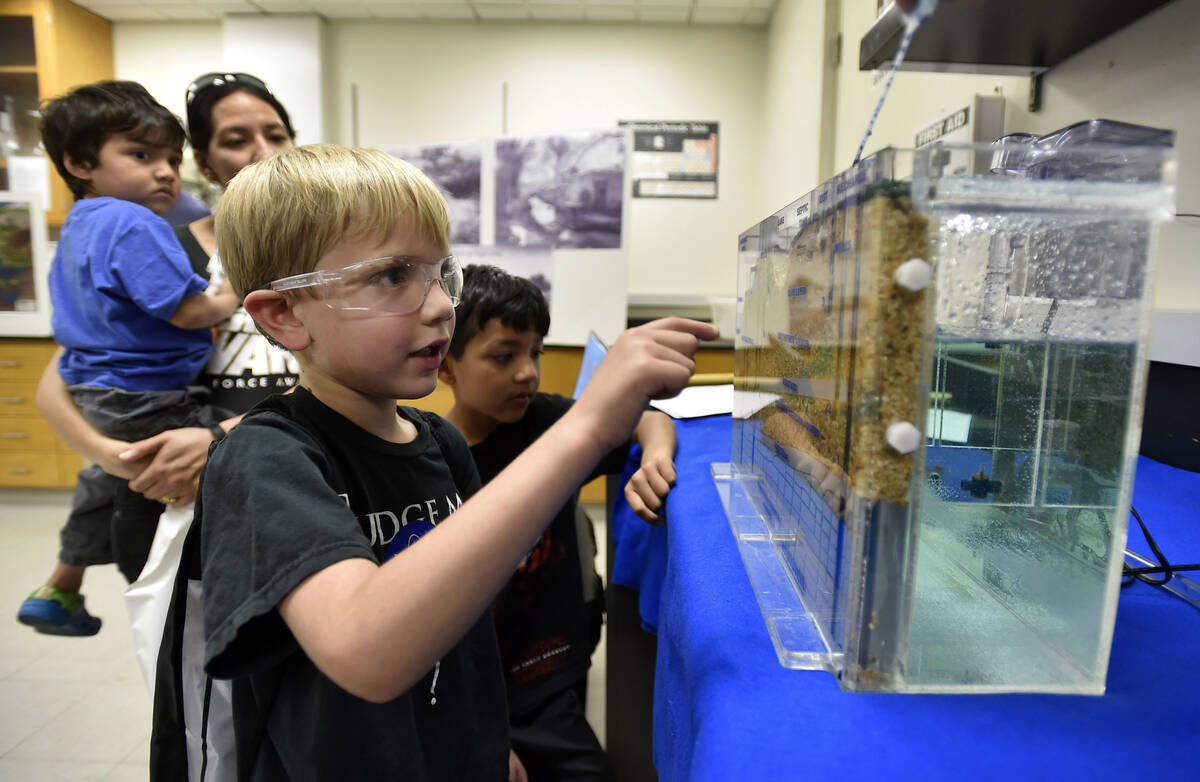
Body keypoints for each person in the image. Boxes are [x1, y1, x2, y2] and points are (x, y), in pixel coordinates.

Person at [151, 144, 716, 780]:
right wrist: (585, 429)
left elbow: (467, 624)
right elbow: (366, 649)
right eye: (392, 275)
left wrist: (490, 738)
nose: (443, 304)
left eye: (438, 271)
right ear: (284, 315)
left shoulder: (438, 442)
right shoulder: (266, 458)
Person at [20, 74, 297, 642]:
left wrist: (219, 437)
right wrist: (115, 455)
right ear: (208, 159)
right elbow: (68, 374)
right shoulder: (160, 239)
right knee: (188, 683)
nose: (262, 152)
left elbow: (359, 380)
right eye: (237, 138)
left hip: (286, 486)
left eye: (275, 133)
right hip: (164, 494)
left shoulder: (324, 244)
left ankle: (63, 580)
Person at [438, 264, 678, 781]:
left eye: (536, 352)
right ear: (446, 365)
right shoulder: (432, 464)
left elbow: (645, 415)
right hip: (476, 695)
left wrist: (655, 456)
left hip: (553, 678)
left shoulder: (546, 422)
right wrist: (483, 734)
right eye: (503, 356)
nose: (527, 371)